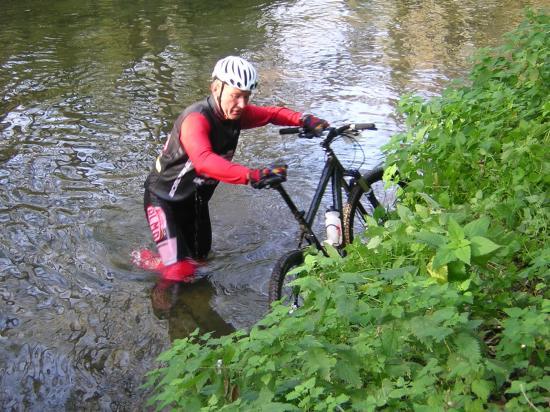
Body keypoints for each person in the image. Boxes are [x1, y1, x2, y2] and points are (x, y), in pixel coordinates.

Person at [140, 56, 328, 284]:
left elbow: (271, 114)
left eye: (246, 97)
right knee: (178, 273)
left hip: (196, 203)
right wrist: (252, 175)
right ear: (216, 88)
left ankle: (170, 268)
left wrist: (303, 119)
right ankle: (157, 290)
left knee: (200, 263)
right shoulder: (196, 119)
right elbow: (204, 161)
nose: (242, 104)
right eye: (236, 95)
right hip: (163, 201)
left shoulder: (236, 115)